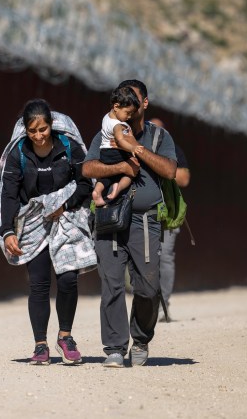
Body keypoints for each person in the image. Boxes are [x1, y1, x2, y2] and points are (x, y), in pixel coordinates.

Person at [82, 79, 177, 368]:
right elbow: (88, 167)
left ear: (144, 103)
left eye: (134, 100)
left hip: (145, 220)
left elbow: (170, 171)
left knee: (148, 287)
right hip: (110, 217)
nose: (129, 105)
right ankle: (114, 347)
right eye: (124, 101)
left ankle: (141, 339)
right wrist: (121, 167)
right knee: (111, 284)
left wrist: (136, 148)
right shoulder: (107, 131)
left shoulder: (159, 137)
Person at [0, 99, 95, 365]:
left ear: (52, 125)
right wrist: (7, 231)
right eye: (32, 131)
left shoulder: (68, 147)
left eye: (43, 129)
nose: (38, 136)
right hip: (33, 222)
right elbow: (9, 194)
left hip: (67, 217)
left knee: (68, 279)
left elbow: (85, 183)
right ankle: (41, 345)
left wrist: (65, 205)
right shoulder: (18, 153)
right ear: (25, 130)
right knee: (39, 283)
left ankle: (66, 337)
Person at [150, 117, 191, 320]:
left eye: (160, 130)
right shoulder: (136, 147)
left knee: (165, 257)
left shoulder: (173, 149)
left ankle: (163, 305)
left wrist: (160, 167)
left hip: (169, 213)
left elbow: (184, 178)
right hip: (143, 211)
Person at [90, 86, 146, 208]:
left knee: (106, 177)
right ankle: (118, 187)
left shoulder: (106, 117)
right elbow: (120, 141)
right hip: (115, 153)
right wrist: (131, 148)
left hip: (104, 153)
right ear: (116, 107)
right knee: (132, 172)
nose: (129, 117)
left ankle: (97, 191)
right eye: (127, 113)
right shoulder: (118, 125)